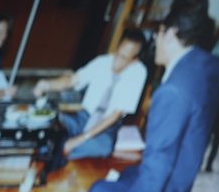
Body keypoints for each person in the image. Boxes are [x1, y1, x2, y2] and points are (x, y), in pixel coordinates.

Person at [82, 0, 219, 192]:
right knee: (128, 173)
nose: (156, 41)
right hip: (190, 187)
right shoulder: (209, 65)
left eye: (158, 32)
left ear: (171, 33)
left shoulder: (171, 92)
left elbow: (156, 175)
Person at [37, 29, 149, 161]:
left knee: (101, 148)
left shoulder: (138, 73)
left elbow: (115, 115)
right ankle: (56, 151)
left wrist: (79, 139)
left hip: (105, 128)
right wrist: (48, 84)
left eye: (124, 58)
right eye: (117, 53)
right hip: (82, 118)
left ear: (134, 60)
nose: (116, 61)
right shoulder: (102, 62)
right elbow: (72, 80)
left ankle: (57, 156)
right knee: (47, 123)